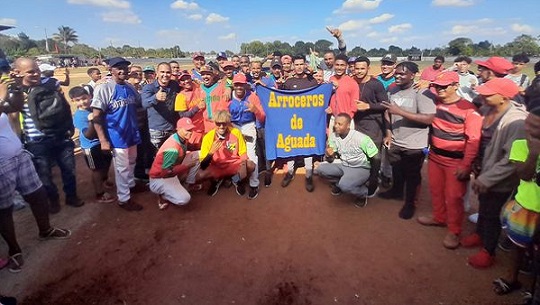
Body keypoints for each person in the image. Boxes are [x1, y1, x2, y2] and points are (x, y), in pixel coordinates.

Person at [0, 75, 71, 273]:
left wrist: (14, 88)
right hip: (1, 164)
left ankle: (45, 230)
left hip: (18, 155)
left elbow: (13, 107)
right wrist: (1, 96)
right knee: (4, 210)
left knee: (37, 194)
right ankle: (14, 249)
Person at [460, 78, 528, 269]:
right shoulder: (487, 110)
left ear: (504, 97)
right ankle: (480, 234)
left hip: (500, 178)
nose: (482, 95)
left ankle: (488, 251)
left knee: (492, 212)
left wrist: (487, 179)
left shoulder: (516, 122)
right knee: (484, 204)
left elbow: (511, 160)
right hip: (484, 169)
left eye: (488, 94)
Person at [416, 71, 483, 249]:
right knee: (436, 190)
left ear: (456, 86)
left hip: (456, 161)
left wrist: (466, 164)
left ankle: (454, 231)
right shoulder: (434, 103)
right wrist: (426, 85)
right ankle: (439, 217)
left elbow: (473, 140)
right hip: (435, 157)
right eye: (437, 86)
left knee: (454, 197)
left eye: (444, 86)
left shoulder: (468, 109)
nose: (440, 89)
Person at [14, 58, 84, 214]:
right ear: (18, 73)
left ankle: (71, 196)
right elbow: (13, 117)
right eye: (31, 71)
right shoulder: (16, 91)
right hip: (36, 140)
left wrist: (69, 127)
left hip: (61, 135)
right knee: (44, 174)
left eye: (37, 70)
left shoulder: (52, 83)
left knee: (69, 169)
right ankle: (53, 200)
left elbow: (65, 106)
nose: (36, 74)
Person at [379, 61, 437, 220]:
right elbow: (387, 112)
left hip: (415, 143)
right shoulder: (392, 90)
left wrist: (400, 111)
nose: (397, 76)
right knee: (396, 170)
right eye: (396, 73)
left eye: (402, 74)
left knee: (412, 175)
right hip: (396, 140)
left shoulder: (422, 93)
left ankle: (410, 203)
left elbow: (430, 118)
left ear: (413, 75)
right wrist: (389, 133)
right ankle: (396, 191)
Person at [491, 119, 540, 296]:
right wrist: (534, 153)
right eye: (529, 125)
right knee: (517, 246)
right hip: (525, 207)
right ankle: (512, 278)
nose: (530, 130)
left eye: (536, 126)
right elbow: (524, 175)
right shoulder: (520, 145)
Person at [91, 57, 145, 211]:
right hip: (117, 135)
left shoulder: (129, 86)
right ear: (111, 70)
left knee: (132, 161)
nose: (123, 70)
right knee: (122, 167)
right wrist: (103, 140)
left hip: (132, 132)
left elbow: (139, 103)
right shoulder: (104, 88)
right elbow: (96, 116)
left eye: (125, 67)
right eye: (118, 67)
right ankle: (124, 198)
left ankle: (130, 185)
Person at [315, 113, 378, 207]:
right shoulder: (333, 137)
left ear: (348, 125)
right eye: (335, 123)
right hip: (344, 164)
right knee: (320, 169)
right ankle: (340, 183)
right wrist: (329, 155)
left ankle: (363, 193)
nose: (336, 126)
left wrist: (374, 177)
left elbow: (376, 158)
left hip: (360, 168)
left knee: (345, 186)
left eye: (340, 124)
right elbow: (331, 159)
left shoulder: (361, 138)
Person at [70, 86, 116, 204]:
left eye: (84, 98)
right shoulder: (79, 116)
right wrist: (92, 121)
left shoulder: (93, 109)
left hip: (102, 142)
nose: (82, 102)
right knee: (96, 169)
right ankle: (99, 193)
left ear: (90, 96)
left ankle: (104, 180)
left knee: (106, 163)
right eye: (78, 100)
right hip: (91, 146)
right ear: (73, 101)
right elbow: (88, 135)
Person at [352, 56, 390, 197]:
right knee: (360, 156)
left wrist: (368, 106)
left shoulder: (376, 84)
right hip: (357, 124)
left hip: (374, 125)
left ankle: (373, 185)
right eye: (357, 68)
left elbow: (385, 104)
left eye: (362, 68)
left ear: (368, 68)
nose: (359, 71)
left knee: (374, 156)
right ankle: (361, 181)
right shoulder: (352, 82)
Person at [281, 55, 319, 192]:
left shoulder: (312, 81)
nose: (299, 67)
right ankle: (290, 172)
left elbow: (318, 99)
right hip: (292, 121)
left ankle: (308, 175)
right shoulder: (289, 82)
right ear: (293, 66)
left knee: (307, 145)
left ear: (305, 65)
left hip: (308, 121)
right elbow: (280, 100)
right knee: (291, 144)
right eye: (296, 64)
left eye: (301, 64)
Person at [197, 111, 256, 197]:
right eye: (218, 124)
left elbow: (243, 151)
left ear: (228, 123)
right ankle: (216, 181)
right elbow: (203, 165)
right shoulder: (208, 137)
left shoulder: (235, 132)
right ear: (214, 123)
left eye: (224, 123)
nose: (221, 126)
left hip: (234, 164)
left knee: (251, 165)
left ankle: (235, 179)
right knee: (200, 175)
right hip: (217, 166)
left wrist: (243, 165)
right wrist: (211, 152)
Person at [227, 73, 266, 199]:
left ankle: (254, 183)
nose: (239, 87)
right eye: (236, 84)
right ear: (233, 85)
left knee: (251, 155)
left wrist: (256, 110)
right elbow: (221, 115)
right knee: (233, 155)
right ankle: (237, 180)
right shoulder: (227, 97)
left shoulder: (252, 97)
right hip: (233, 126)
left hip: (248, 125)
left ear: (245, 85)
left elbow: (262, 116)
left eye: (241, 84)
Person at [148, 118, 200, 210]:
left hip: (171, 172)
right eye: (187, 130)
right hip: (160, 178)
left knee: (198, 155)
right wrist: (186, 166)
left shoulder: (181, 138)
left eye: (191, 129)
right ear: (178, 129)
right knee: (184, 199)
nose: (190, 132)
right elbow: (165, 172)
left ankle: (188, 185)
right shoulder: (172, 148)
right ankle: (163, 195)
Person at [141, 62, 181, 152]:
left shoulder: (174, 85)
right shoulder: (149, 88)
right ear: (157, 74)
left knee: (171, 156)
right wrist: (155, 97)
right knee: (156, 157)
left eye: (168, 72)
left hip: (171, 128)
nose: (165, 75)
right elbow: (144, 104)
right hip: (156, 130)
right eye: (162, 72)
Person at [175, 71, 206, 150]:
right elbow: (183, 116)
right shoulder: (180, 96)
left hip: (206, 127)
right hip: (194, 131)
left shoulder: (198, 87)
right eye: (183, 80)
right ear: (179, 83)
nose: (186, 81)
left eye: (187, 78)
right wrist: (197, 108)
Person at [326, 54, 359, 127]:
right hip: (333, 118)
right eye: (337, 65)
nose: (339, 68)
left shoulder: (352, 83)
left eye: (342, 65)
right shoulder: (331, 79)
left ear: (346, 66)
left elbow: (354, 105)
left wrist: (347, 119)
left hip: (347, 120)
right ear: (334, 65)